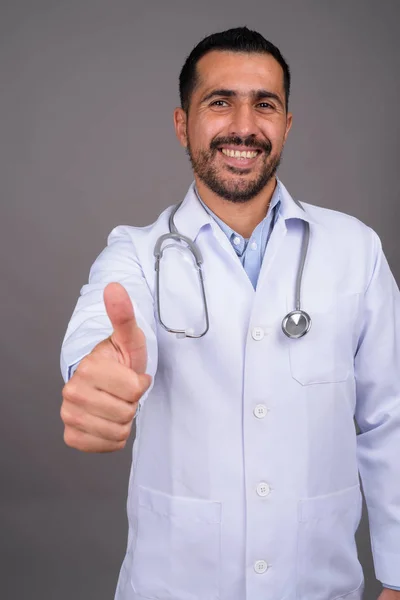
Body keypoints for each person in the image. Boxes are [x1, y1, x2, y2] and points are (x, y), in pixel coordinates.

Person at [60, 27, 400, 600]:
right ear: (182, 123)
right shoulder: (138, 253)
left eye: (264, 104)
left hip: (318, 586)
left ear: (286, 125)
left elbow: (390, 418)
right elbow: (100, 326)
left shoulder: (355, 250)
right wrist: (96, 375)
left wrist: (398, 575)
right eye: (220, 102)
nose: (243, 126)